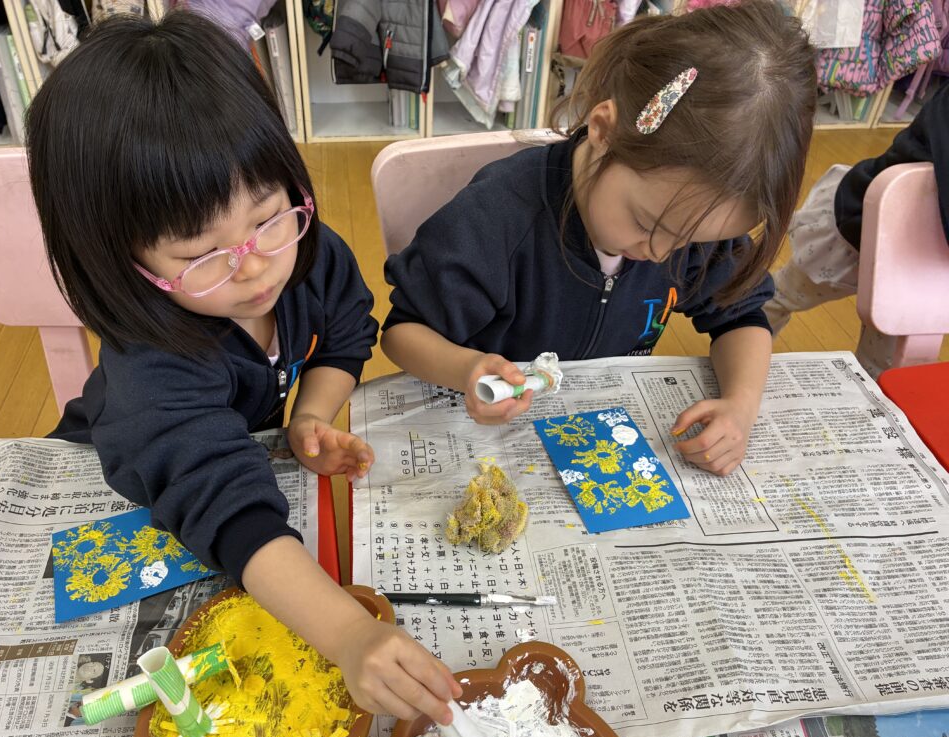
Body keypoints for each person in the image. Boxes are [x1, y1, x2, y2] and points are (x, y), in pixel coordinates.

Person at [27, 11, 459, 725]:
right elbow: (226, 505)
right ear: (120, 260)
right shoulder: (152, 364)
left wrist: (309, 415)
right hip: (135, 491)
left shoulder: (307, 255)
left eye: (267, 216)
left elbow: (347, 335)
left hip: (231, 468)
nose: (255, 266)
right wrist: (349, 634)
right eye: (202, 253)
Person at [381, 0, 816, 477]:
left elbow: (743, 316)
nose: (661, 253)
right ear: (603, 130)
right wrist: (467, 369)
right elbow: (403, 332)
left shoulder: (691, 222)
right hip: (486, 431)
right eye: (648, 224)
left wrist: (741, 404)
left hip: (596, 425)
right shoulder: (496, 219)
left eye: (689, 241)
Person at [764, 82, 949, 377]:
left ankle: (870, 400)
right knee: (782, 295)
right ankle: (738, 354)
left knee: (884, 362)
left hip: (917, 266)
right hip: (859, 229)